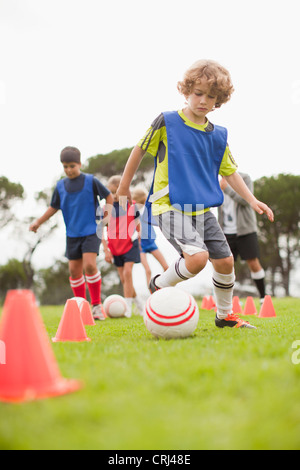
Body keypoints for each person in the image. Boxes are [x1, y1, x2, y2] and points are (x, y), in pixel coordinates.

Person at [116, 59, 274, 329]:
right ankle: (159, 284)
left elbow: (230, 172)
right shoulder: (166, 121)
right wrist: (123, 188)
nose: (203, 100)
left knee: (225, 261)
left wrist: (252, 199)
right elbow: (139, 150)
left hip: (201, 209)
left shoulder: (218, 135)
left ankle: (224, 317)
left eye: (211, 97)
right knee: (198, 258)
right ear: (186, 91)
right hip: (168, 205)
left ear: (218, 101)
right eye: (198, 93)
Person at [29, 146, 113, 321]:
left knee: (89, 266)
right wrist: (38, 222)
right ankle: (81, 307)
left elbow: (109, 196)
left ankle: (96, 305)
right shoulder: (60, 186)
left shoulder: (91, 181)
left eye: (72, 166)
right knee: (74, 272)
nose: (68, 170)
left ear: (80, 164)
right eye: (65, 166)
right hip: (72, 235)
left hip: (91, 231)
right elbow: (53, 207)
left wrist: (107, 217)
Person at [218, 173, 266, 303]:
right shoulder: (216, 181)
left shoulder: (244, 178)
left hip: (245, 230)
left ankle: (263, 298)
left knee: (253, 263)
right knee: (225, 266)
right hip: (225, 231)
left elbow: (247, 201)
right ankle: (228, 300)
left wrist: (227, 188)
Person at [102, 175, 144, 317]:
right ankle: (138, 302)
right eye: (111, 192)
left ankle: (127, 309)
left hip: (129, 243)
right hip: (114, 246)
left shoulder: (130, 206)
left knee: (127, 273)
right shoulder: (106, 209)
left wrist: (139, 236)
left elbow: (138, 224)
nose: (113, 195)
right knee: (123, 278)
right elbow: (101, 229)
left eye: (116, 192)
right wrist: (105, 249)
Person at [131, 187, 169, 288]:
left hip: (151, 243)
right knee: (148, 270)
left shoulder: (148, 209)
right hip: (141, 245)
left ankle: (167, 288)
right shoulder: (134, 212)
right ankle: (152, 293)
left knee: (166, 267)